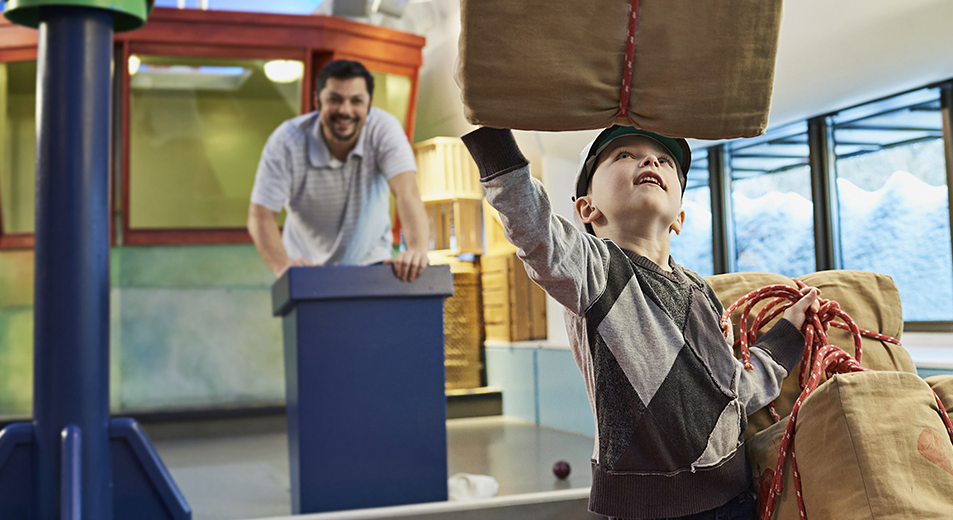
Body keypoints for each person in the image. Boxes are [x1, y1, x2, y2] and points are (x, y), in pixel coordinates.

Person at [462, 125, 819, 520]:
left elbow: (731, 392)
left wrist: (786, 335)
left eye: (664, 161)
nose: (650, 161)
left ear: (679, 217)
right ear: (587, 209)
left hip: (736, 499)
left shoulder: (699, 291)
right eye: (624, 155)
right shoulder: (595, 269)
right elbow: (535, 229)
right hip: (645, 511)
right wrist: (491, 131)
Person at [248, 60, 429, 281]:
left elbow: (407, 192)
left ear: (369, 104)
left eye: (356, 101)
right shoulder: (287, 141)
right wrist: (283, 269)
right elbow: (261, 215)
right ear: (317, 101)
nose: (345, 110)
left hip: (372, 264)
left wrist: (417, 250)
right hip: (308, 270)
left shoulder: (384, 129)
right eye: (335, 99)